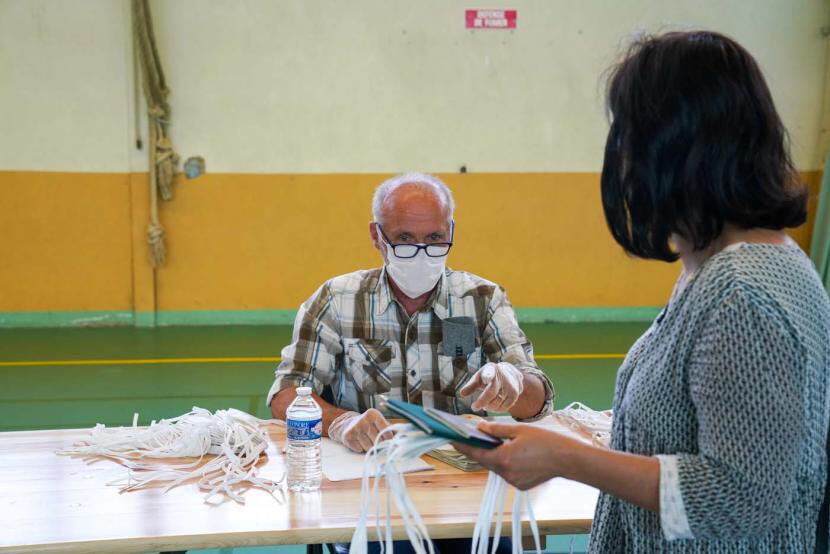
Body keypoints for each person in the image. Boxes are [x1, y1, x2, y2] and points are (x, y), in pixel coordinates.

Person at [456, 31, 830, 553]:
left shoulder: (743, 296)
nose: (623, 161)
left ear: (675, 150)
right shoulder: (731, 268)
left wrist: (566, 459)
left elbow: (743, 497)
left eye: (628, 137)